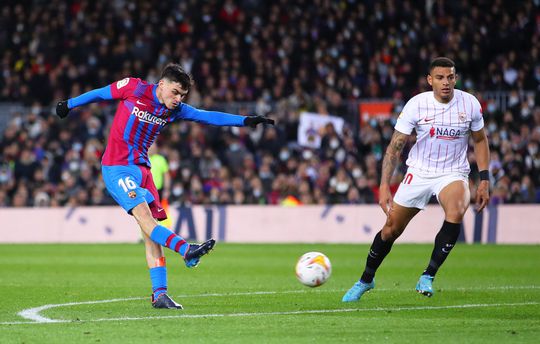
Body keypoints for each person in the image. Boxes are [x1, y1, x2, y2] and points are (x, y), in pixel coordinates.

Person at [55, 63, 274, 309]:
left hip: (142, 170)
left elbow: (208, 116)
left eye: (182, 95)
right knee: (146, 220)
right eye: (176, 92)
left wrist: (245, 121)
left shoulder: (175, 110)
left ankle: (160, 294)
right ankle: (186, 249)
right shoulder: (133, 87)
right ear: (162, 85)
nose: (178, 99)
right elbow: (100, 93)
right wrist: (69, 104)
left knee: (151, 234)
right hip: (117, 167)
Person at [342, 57, 490, 302]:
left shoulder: (470, 104)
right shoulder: (416, 105)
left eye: (450, 77)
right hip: (419, 172)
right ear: (430, 80)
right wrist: (383, 186)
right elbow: (395, 147)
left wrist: (484, 179)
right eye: (440, 78)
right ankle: (366, 280)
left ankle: (428, 276)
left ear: (456, 79)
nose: (446, 83)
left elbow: (480, 140)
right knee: (391, 229)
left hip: (453, 172)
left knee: (456, 210)